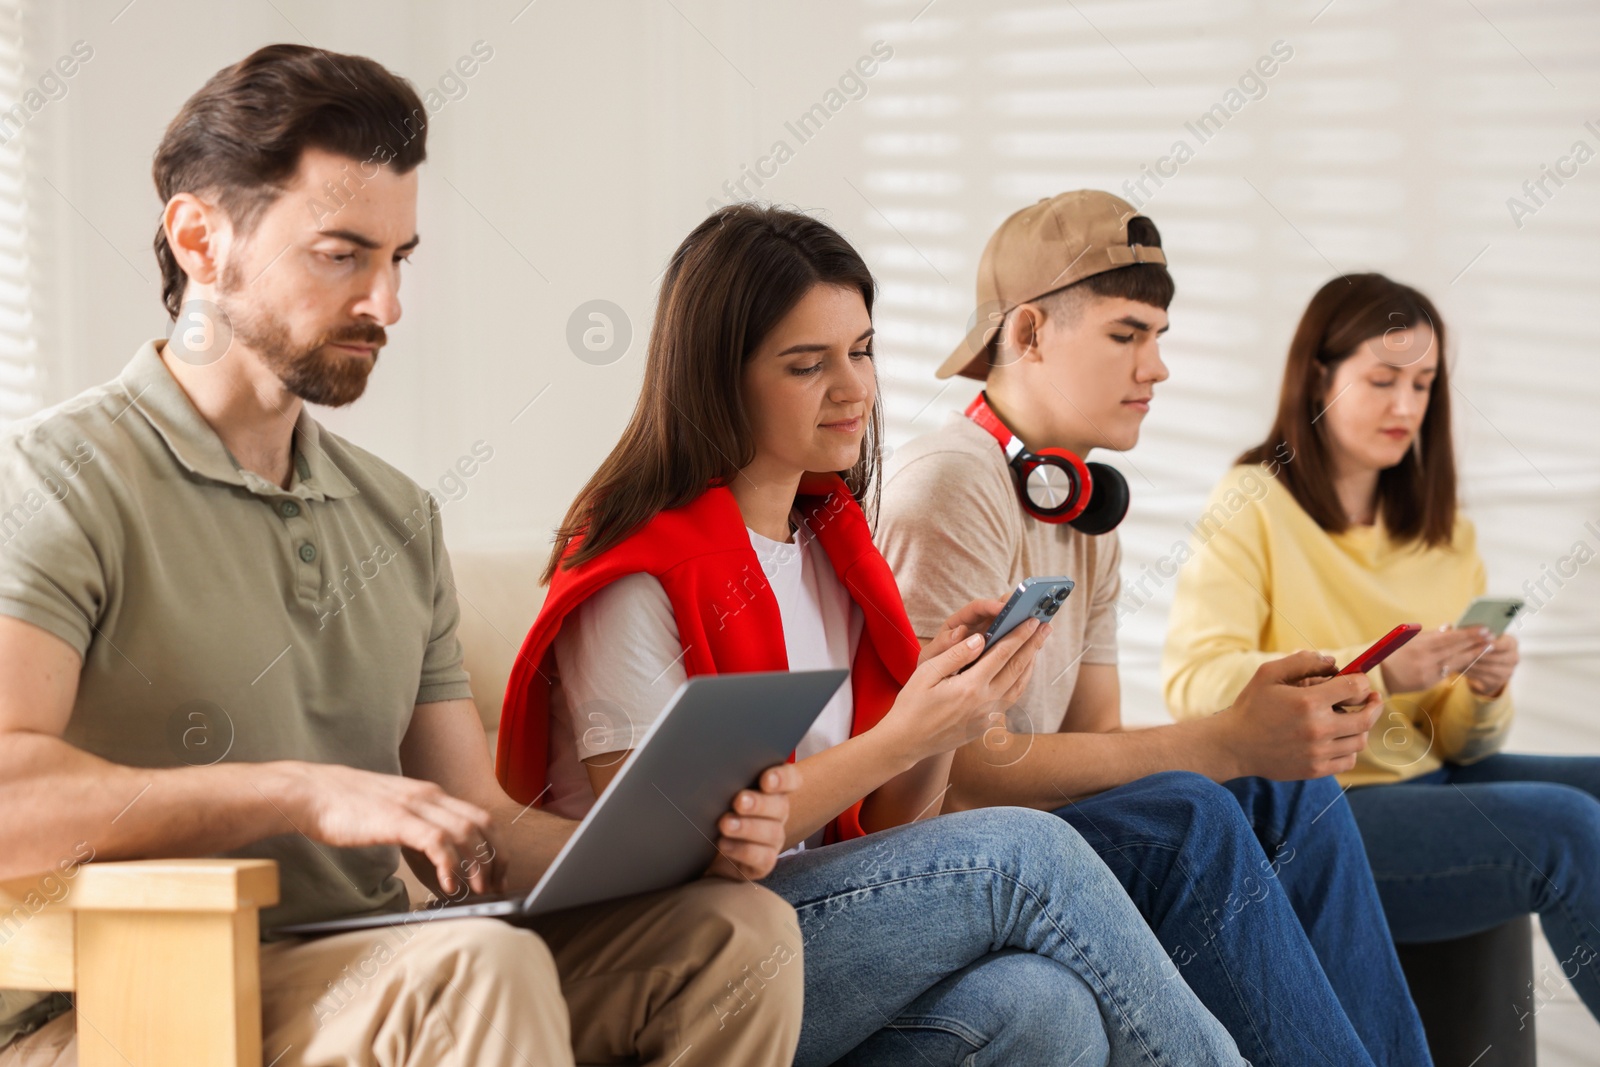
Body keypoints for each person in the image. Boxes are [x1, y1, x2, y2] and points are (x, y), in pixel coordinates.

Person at [0, 45, 807, 1067]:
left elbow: (483, 832)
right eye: (342, 254)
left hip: (373, 961)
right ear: (201, 238)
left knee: (737, 937)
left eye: (400, 259)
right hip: (130, 998)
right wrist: (297, 789)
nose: (386, 305)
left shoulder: (394, 516)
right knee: (478, 966)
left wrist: (684, 847)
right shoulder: (57, 480)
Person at [498, 203, 1248, 1067]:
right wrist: (904, 732)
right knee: (1026, 851)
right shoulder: (634, 567)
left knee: (1045, 1007)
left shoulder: (829, 542)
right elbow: (659, 850)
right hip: (666, 951)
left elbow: (891, 817)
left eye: (861, 350)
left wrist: (942, 718)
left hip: (798, 924)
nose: (854, 388)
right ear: (717, 377)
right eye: (806, 364)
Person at [875, 191, 1434, 1066]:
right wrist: (1221, 740)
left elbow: (1095, 743)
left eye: (1160, 336)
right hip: (949, 852)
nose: (1158, 366)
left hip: (1034, 826)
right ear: (1027, 334)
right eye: (1128, 334)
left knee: (1296, 788)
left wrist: (1256, 741)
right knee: (1191, 815)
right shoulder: (953, 481)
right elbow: (956, 768)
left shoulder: (1083, 505)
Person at [1163, 271, 1600, 1029]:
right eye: (1383, 380)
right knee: (1565, 826)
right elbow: (1197, 682)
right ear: (1319, 377)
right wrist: (1373, 670)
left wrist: (1484, 690)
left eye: (1424, 384)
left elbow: (1456, 742)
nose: (1406, 406)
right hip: (1323, 810)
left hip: (1426, 776)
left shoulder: (1441, 530)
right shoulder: (1255, 503)